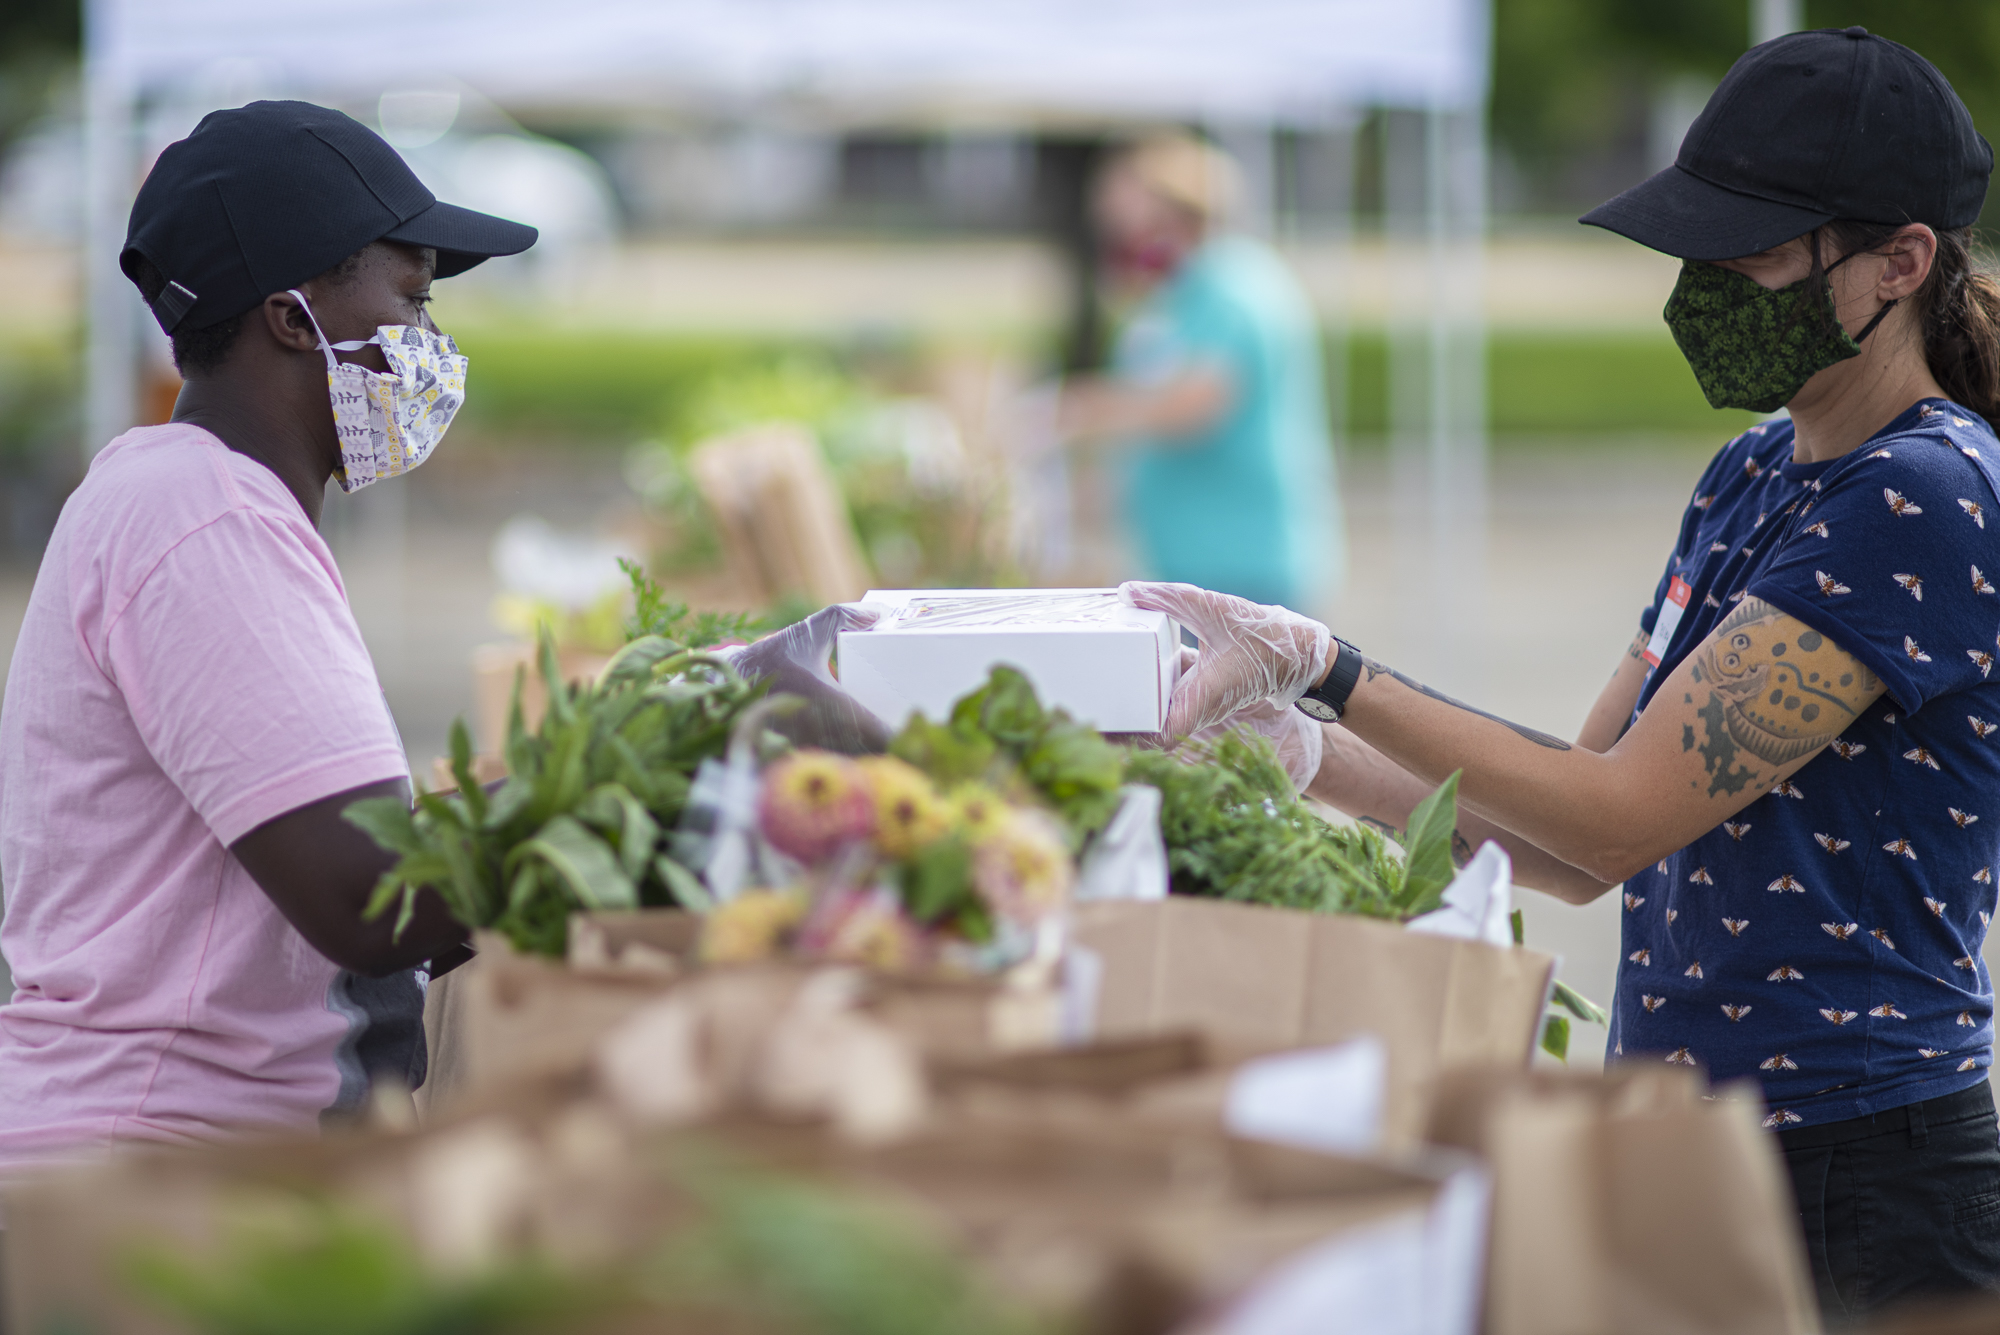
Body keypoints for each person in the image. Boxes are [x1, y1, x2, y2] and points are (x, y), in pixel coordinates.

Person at [1130, 29, 2000, 1320]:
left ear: (1903, 261)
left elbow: (1619, 814)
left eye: (1750, 252)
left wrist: (1327, 666)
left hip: (1865, 1162)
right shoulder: (1753, 475)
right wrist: (1300, 754)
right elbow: (1579, 823)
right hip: (1693, 1125)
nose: (1706, 284)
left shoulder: (1924, 497)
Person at [0, 101, 538, 1171]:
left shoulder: (193, 500)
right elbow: (366, 897)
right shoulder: (205, 521)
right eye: (411, 299)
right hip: (157, 1171)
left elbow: (317, 858)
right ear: (294, 318)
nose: (430, 346)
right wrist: (658, 797)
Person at [1053, 134, 1343, 614]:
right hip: (1192, 563)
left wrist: (1080, 409)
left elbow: (1196, 404)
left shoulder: (1233, 288)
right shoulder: (1182, 291)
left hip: (1243, 565)